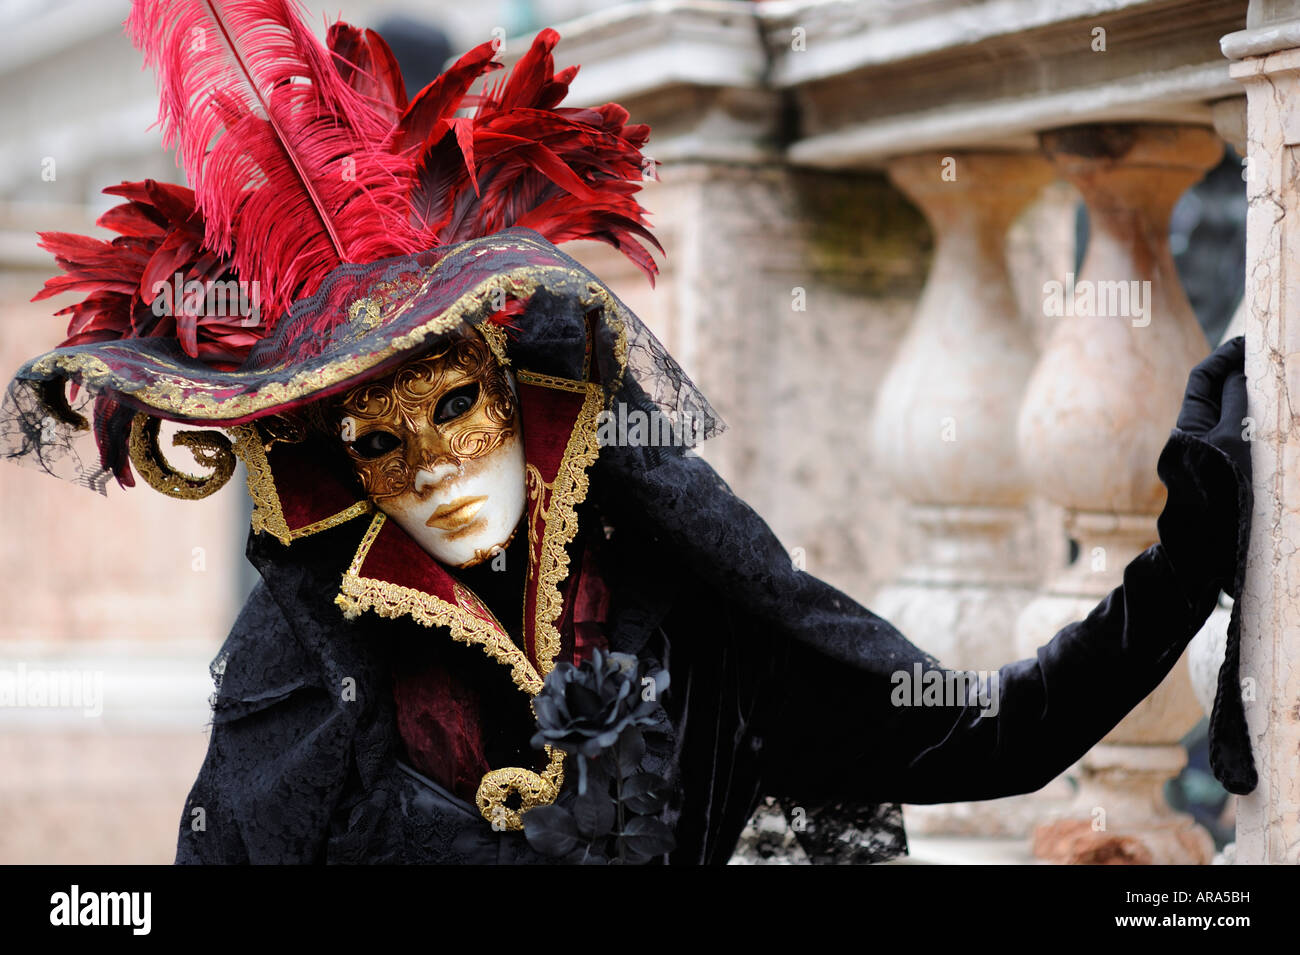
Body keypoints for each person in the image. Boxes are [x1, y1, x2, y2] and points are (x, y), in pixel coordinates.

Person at [1, 0, 1255, 864]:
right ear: (338, 473)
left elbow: (987, 730)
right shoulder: (312, 646)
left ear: (524, 394)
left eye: (451, 408)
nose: (434, 473)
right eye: (381, 446)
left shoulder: (683, 599)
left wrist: (1185, 553)